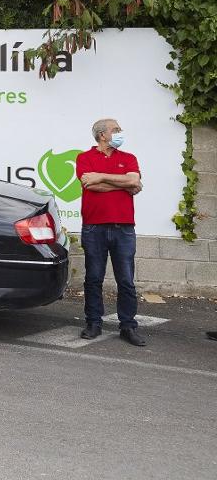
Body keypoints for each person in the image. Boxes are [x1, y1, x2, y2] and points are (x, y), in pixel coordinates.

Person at [76, 118, 146, 346]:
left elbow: (134, 181)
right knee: (93, 278)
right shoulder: (84, 158)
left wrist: (103, 177)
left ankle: (128, 326)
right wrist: (123, 184)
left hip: (124, 228)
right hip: (94, 227)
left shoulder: (128, 158)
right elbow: (90, 184)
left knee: (126, 280)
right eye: (115, 129)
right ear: (102, 135)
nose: (120, 132)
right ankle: (93, 322)